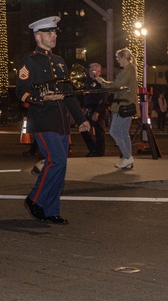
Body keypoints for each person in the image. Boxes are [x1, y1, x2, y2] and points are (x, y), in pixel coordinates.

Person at [15, 17, 90, 224]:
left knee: (61, 166)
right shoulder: (29, 61)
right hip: (42, 120)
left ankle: (51, 210)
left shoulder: (59, 61)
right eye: (49, 33)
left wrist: (80, 118)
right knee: (55, 160)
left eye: (55, 32)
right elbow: (21, 92)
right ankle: (35, 199)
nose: (54, 36)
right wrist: (41, 97)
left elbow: (69, 93)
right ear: (38, 36)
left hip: (61, 122)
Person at [98, 48, 139, 170]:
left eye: (118, 58)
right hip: (128, 105)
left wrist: (103, 82)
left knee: (114, 131)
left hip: (122, 106)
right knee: (124, 133)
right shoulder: (131, 70)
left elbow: (116, 86)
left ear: (123, 58)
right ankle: (127, 160)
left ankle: (127, 157)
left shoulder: (127, 70)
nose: (117, 61)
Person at [80, 62, 108, 157]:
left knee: (99, 131)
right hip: (88, 109)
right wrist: (83, 107)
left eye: (97, 71)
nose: (94, 73)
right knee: (83, 128)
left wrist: (97, 111)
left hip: (98, 110)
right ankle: (93, 148)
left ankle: (100, 152)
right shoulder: (87, 82)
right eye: (92, 70)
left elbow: (104, 98)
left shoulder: (101, 82)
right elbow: (84, 96)